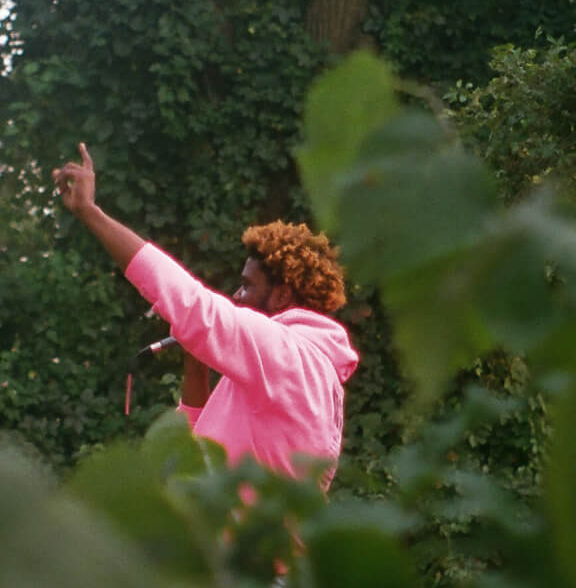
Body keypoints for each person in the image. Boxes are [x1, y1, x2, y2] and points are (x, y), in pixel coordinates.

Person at [52, 143, 358, 488]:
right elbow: (195, 457)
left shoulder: (287, 356)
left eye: (247, 286)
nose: (236, 296)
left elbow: (194, 306)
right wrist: (196, 365)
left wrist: (90, 212)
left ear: (282, 295)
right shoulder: (279, 371)